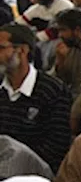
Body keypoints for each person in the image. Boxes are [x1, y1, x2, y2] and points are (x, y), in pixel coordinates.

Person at [0, 23, 71, 172]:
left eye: (1, 48)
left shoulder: (53, 91)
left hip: (33, 175)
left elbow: (56, 148)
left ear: (22, 51)